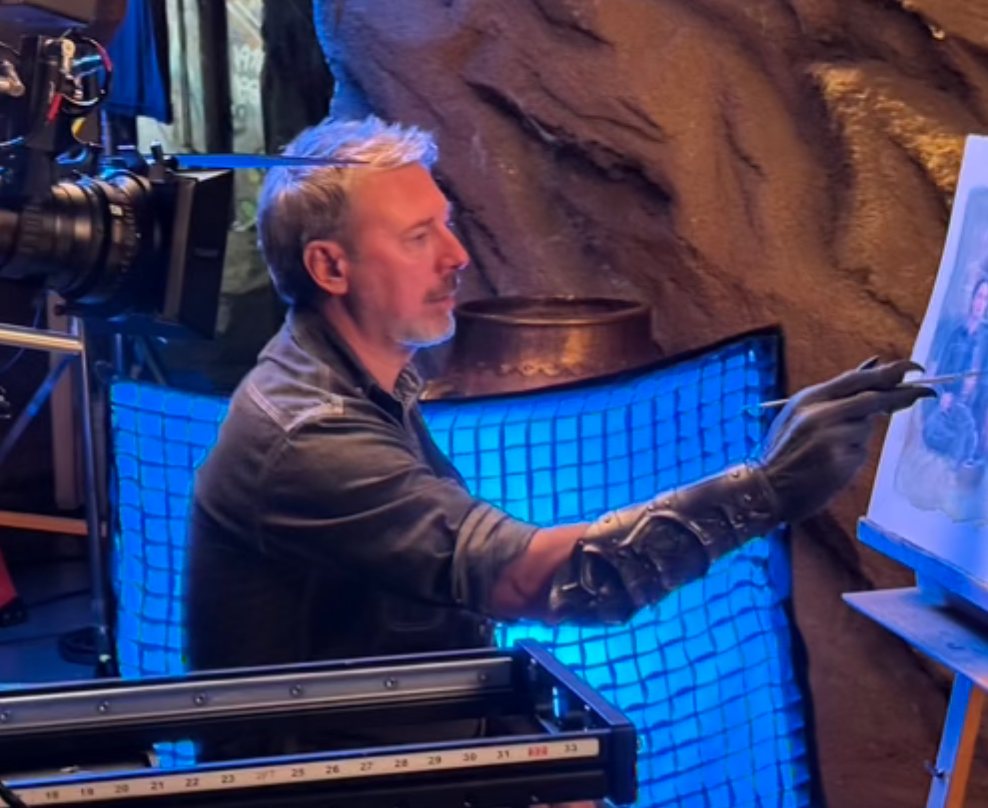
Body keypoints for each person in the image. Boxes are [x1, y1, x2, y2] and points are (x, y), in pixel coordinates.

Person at [184, 116, 931, 756]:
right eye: (418, 236)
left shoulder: (362, 382)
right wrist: (764, 490)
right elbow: (536, 582)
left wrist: (521, 751)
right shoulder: (311, 436)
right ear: (329, 266)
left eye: (445, 223)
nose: (456, 255)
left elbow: (438, 624)